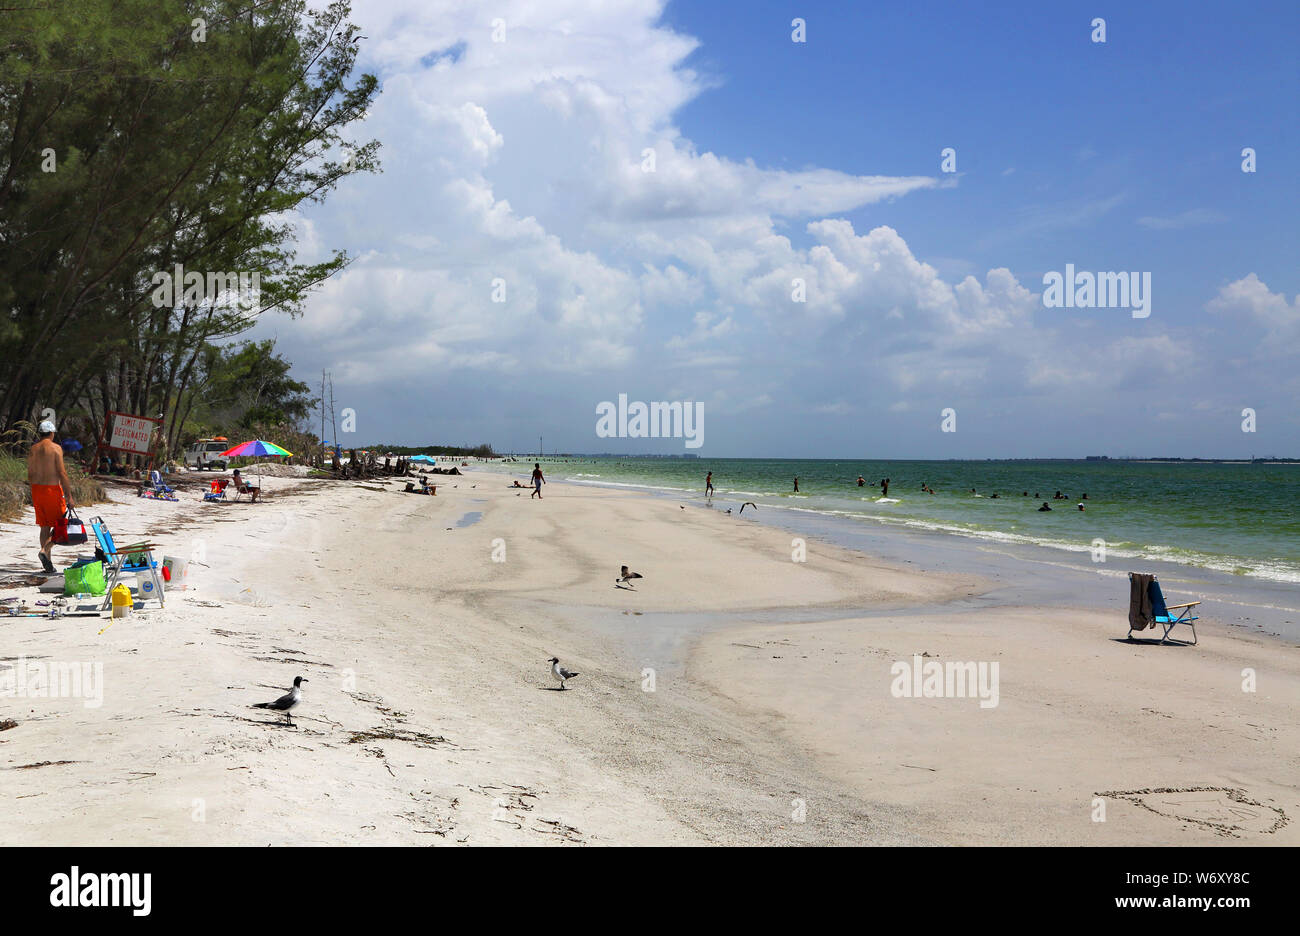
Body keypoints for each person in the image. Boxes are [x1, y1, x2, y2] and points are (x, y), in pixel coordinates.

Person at [27, 420, 74, 573]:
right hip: (52, 490)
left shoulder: (33, 449)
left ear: (40, 433)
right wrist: (69, 496)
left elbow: (30, 473)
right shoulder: (55, 448)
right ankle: (44, 549)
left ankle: (48, 562)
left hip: (36, 489)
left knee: (44, 526)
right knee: (62, 524)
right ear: (52, 433)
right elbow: (62, 473)